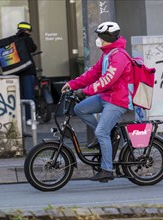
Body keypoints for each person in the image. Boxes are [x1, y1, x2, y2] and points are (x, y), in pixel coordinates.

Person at [61, 21, 133, 182]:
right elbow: (93, 73)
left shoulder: (119, 56)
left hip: (117, 100)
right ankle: (107, 133)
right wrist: (72, 84)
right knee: (80, 109)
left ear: (107, 38)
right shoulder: (107, 54)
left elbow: (107, 80)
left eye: (100, 37)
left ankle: (107, 169)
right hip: (106, 97)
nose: (98, 39)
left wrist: (84, 91)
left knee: (101, 132)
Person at [15, 22, 38, 126]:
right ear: (26, 31)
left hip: (18, 72)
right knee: (29, 96)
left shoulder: (14, 40)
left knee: (21, 95)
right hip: (28, 71)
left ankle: (22, 117)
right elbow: (33, 48)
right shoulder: (27, 39)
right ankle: (30, 118)